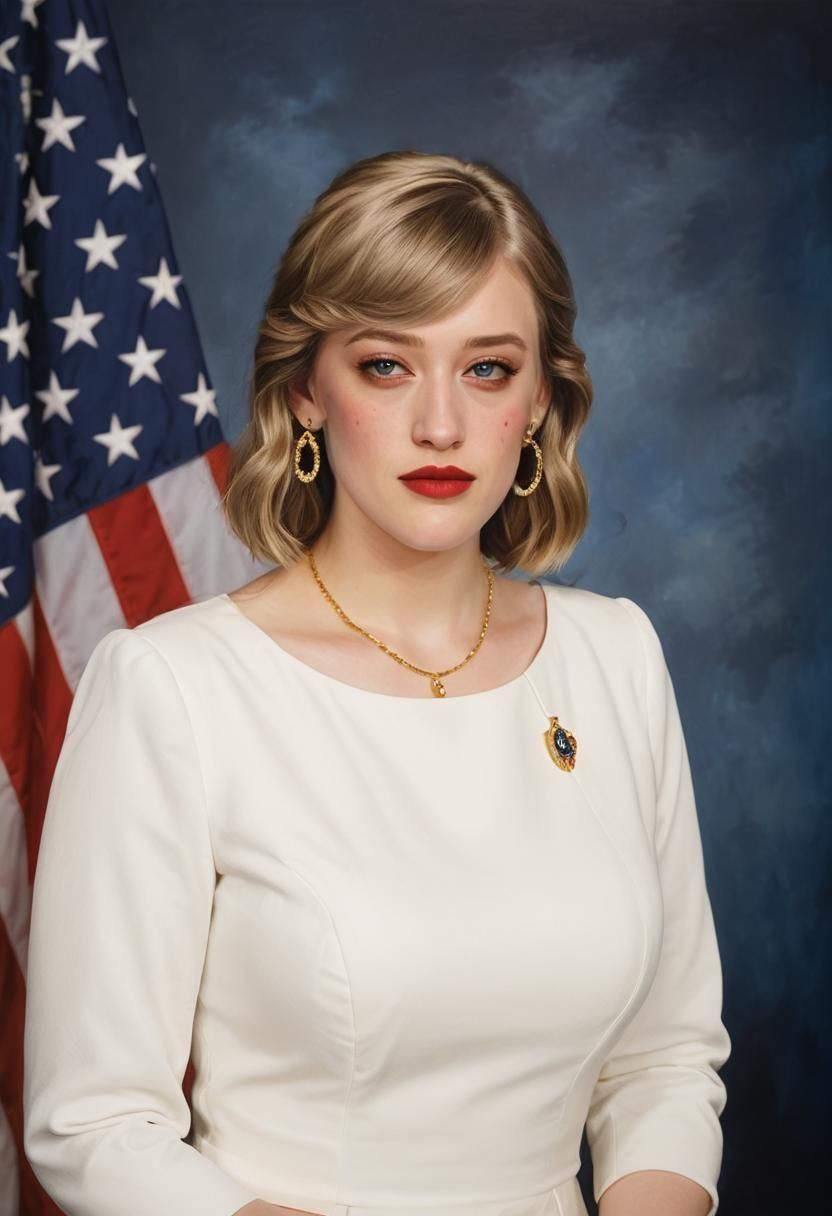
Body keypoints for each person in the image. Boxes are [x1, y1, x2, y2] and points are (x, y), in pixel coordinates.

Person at [22, 150, 731, 1216]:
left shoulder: (614, 656)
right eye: (387, 365)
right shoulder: (172, 688)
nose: (440, 424)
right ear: (305, 389)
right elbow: (97, 1124)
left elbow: (665, 1060)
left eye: (487, 368)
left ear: (540, 397)